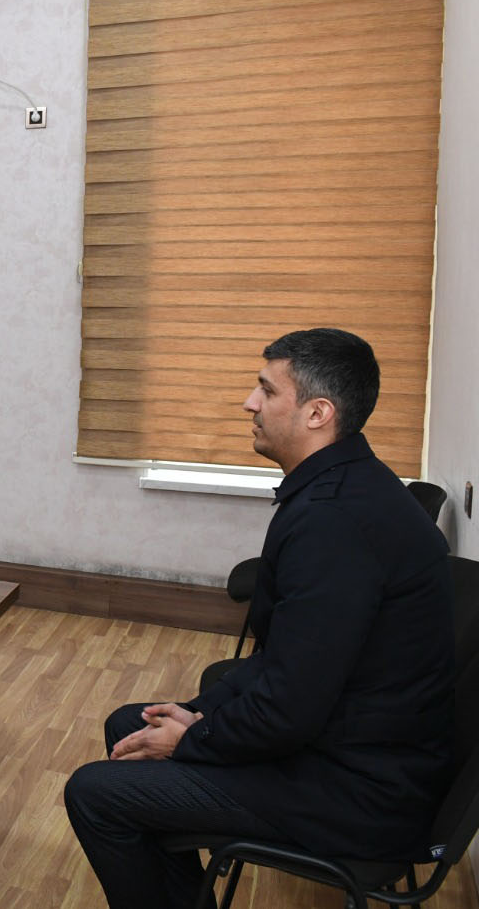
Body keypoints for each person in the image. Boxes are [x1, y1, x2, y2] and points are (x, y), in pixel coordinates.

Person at [64, 328, 454, 909]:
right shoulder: (346, 487)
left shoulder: (335, 523)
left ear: (317, 413)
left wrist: (194, 738)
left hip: (359, 792)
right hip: (350, 747)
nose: (250, 403)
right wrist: (200, 713)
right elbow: (282, 662)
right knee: (132, 725)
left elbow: (289, 708)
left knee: (94, 793)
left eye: (267, 390)